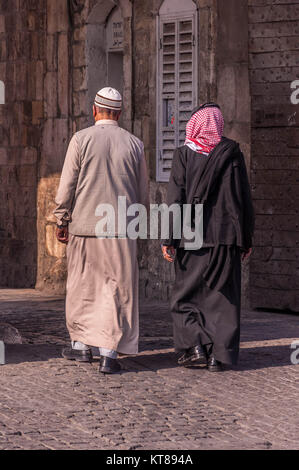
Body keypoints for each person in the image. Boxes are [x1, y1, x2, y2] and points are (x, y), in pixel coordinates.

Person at [54, 87, 149, 374]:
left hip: (84, 227)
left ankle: (81, 345)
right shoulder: (135, 144)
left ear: (94, 110)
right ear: (119, 113)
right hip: (121, 229)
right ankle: (109, 352)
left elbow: (67, 186)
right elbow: (142, 193)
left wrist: (61, 219)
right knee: (117, 288)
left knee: (83, 288)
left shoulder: (81, 139)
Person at [161, 103, 255, 372]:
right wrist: (246, 238)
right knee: (224, 299)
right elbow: (244, 199)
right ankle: (218, 356)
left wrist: (170, 238)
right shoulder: (233, 154)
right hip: (227, 238)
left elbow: (175, 199)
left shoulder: (183, 155)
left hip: (192, 236)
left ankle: (196, 346)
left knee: (186, 297)